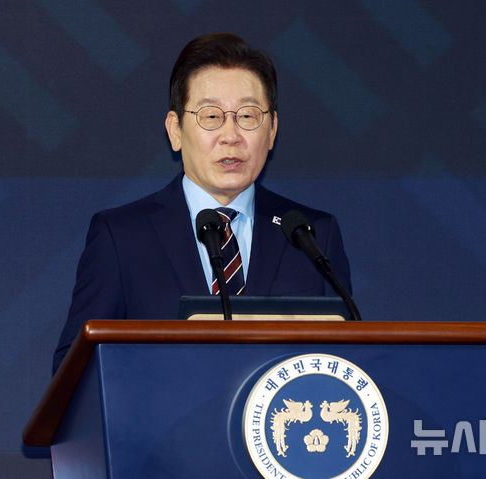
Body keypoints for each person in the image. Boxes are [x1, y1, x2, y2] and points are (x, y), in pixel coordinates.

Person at [52, 33, 353, 373]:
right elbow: (73, 371)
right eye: (211, 116)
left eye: (248, 116)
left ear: (271, 131)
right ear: (175, 130)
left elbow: (347, 360)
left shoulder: (312, 236)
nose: (231, 136)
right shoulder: (122, 237)